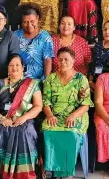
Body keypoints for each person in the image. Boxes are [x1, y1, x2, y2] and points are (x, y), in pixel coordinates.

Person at [0, 55, 43, 179]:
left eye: (17, 65)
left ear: (23, 67)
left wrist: (24, 118)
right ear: (7, 68)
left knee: (23, 132)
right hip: (2, 118)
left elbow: (38, 106)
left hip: (25, 119)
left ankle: (24, 175)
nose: (14, 68)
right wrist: (2, 119)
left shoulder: (32, 84)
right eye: (11, 65)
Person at [43, 47, 93, 178]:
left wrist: (73, 115)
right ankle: (55, 170)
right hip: (55, 115)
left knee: (71, 133)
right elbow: (46, 102)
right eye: (60, 60)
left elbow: (86, 105)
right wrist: (49, 115)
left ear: (73, 60)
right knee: (48, 129)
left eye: (66, 59)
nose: (63, 62)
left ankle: (66, 173)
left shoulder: (81, 79)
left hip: (77, 115)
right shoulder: (51, 79)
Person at [14, 4, 54, 81]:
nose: (29, 25)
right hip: (18, 79)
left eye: (32, 21)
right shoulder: (15, 35)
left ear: (37, 18)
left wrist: (46, 80)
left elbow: (47, 60)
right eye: (25, 22)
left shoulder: (45, 37)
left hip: (37, 81)